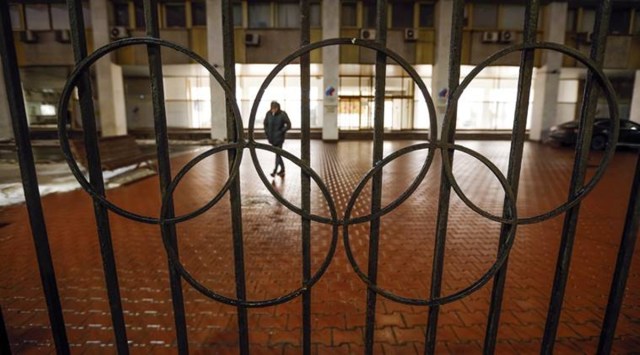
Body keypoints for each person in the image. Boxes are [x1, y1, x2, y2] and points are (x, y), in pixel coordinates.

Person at [263, 101, 291, 177]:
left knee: (278, 153)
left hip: (280, 138)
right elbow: (265, 123)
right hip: (272, 138)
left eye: (275, 108)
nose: (273, 110)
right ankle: (282, 169)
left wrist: (281, 131)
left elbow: (289, 125)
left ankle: (274, 171)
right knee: (278, 153)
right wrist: (267, 132)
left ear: (278, 108)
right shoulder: (268, 114)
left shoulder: (282, 114)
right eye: (272, 108)